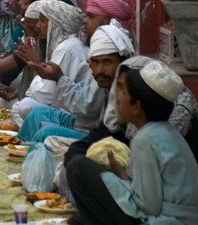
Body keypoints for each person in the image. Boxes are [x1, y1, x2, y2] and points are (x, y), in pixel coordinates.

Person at [67, 60, 198, 225]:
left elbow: (149, 207)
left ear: (137, 106)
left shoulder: (146, 139)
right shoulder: (164, 133)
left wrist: (113, 181)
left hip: (166, 220)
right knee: (78, 221)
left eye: (123, 90)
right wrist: (121, 172)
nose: (117, 96)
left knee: (78, 167)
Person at [19, 25, 134, 143]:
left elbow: (87, 106)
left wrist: (58, 78)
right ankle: (20, 153)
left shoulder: (119, 81)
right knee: (36, 114)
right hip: (82, 122)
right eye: (95, 62)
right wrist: (57, 78)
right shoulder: (100, 74)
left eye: (107, 62)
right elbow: (83, 90)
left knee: (45, 134)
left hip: (94, 133)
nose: (100, 70)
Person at [10, 0, 90, 126]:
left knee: (24, 107)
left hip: (75, 116)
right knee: (18, 106)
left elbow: (46, 96)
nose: (38, 25)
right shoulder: (67, 44)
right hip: (66, 107)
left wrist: (35, 65)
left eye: (42, 20)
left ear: (55, 23)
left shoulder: (66, 48)